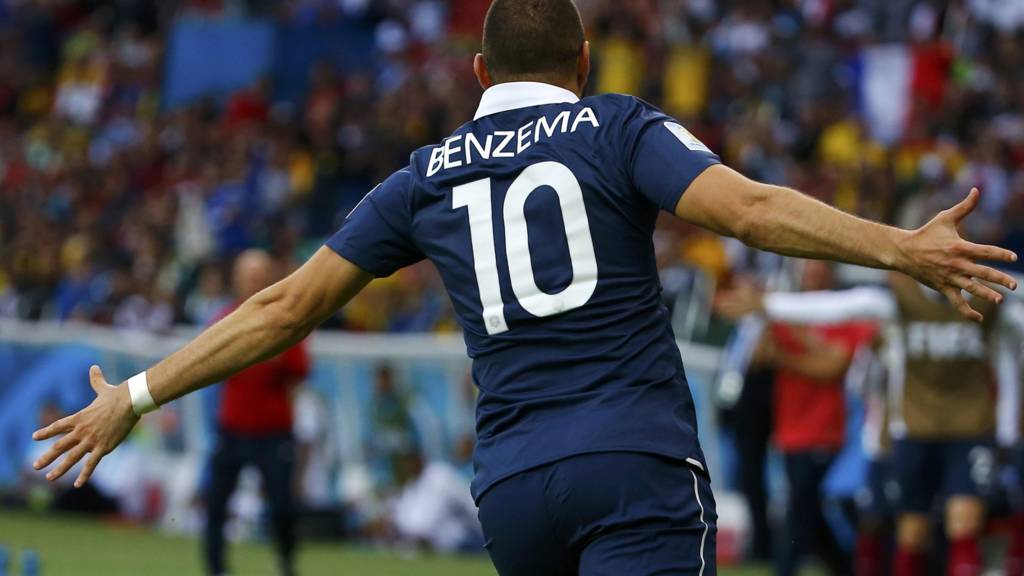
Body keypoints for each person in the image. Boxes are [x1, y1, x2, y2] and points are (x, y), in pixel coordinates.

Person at [32, 1, 1018, 574]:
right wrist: (900, 246)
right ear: (582, 64)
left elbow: (284, 305)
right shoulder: (615, 128)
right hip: (633, 464)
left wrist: (136, 392)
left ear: (475, 70)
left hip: (509, 491)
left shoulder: (423, 174)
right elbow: (751, 211)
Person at [717, 273, 1024, 576]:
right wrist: (769, 304)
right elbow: (842, 307)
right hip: (913, 430)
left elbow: (1010, 356)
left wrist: (1009, 428)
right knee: (909, 530)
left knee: (964, 521)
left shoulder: (991, 301)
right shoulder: (898, 296)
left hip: (969, 430)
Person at [760, 261, 877, 576]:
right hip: (789, 427)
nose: (813, 277)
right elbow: (760, 355)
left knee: (802, 509)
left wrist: (795, 336)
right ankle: (846, 566)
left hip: (827, 429)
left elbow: (834, 367)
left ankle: (789, 569)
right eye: (808, 272)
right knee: (807, 510)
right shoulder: (785, 314)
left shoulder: (847, 316)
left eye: (819, 271)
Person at [203, 249, 310, 576]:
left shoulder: (286, 318)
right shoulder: (224, 318)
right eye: (249, 277)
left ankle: (286, 562)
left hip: (273, 430)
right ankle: (216, 568)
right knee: (216, 505)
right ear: (237, 280)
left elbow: (299, 370)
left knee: (281, 506)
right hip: (233, 427)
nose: (254, 283)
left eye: (260, 277)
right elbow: (208, 365)